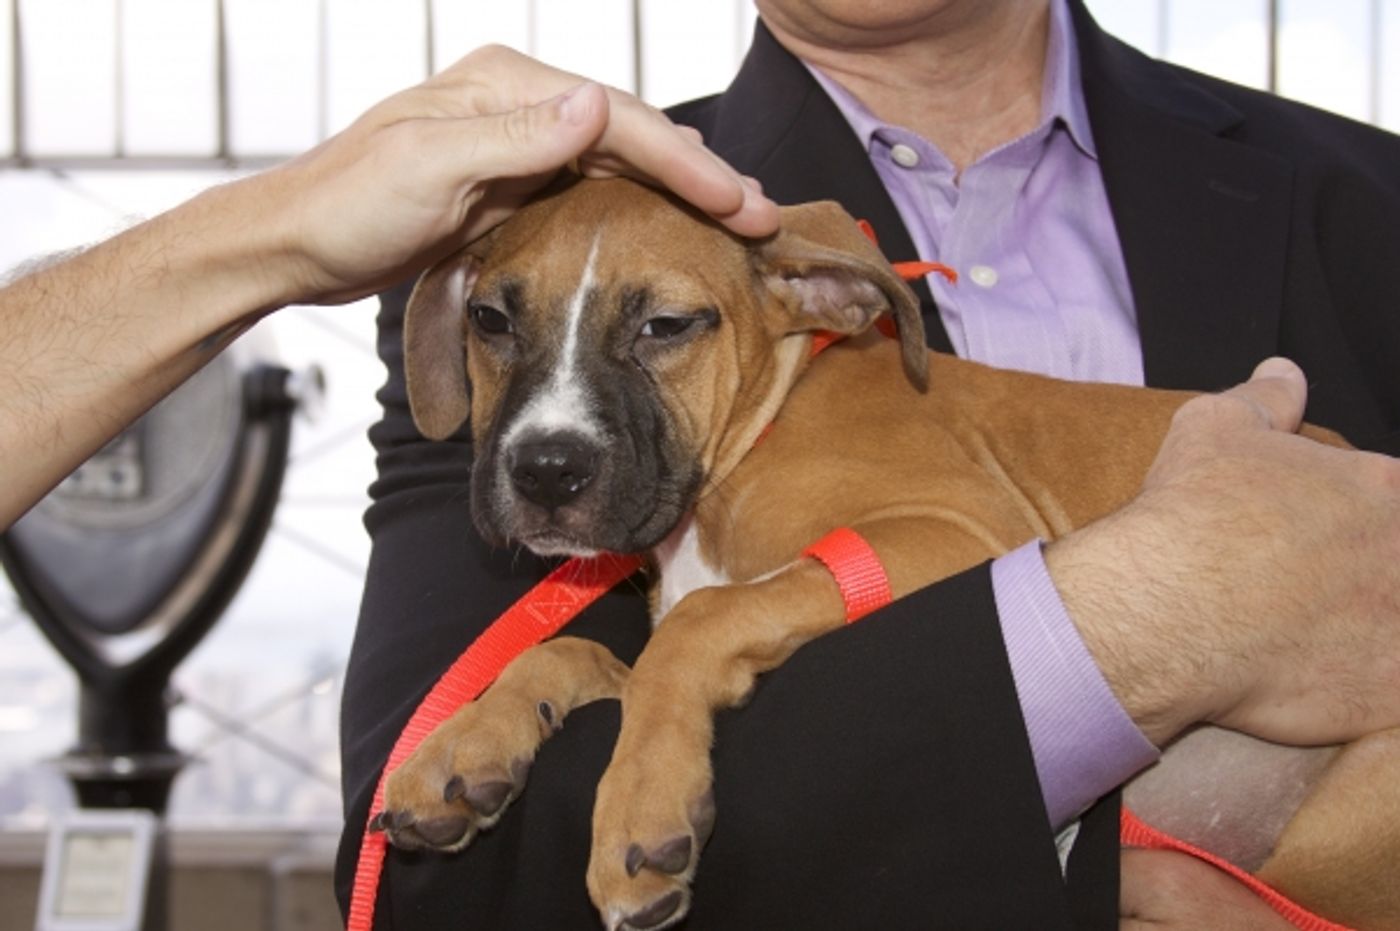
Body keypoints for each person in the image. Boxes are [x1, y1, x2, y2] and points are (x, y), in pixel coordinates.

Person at [342, 1, 1400, 929]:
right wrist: (1143, 618)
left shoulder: (1370, 201)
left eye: (662, 326)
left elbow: (925, 556)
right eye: (492, 326)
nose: (556, 418)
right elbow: (427, 886)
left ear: (837, 298)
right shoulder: (534, 224)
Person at [0, 47, 778, 532]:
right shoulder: (491, 216)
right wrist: (286, 224)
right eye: (492, 321)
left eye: (667, 323)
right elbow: (406, 773)